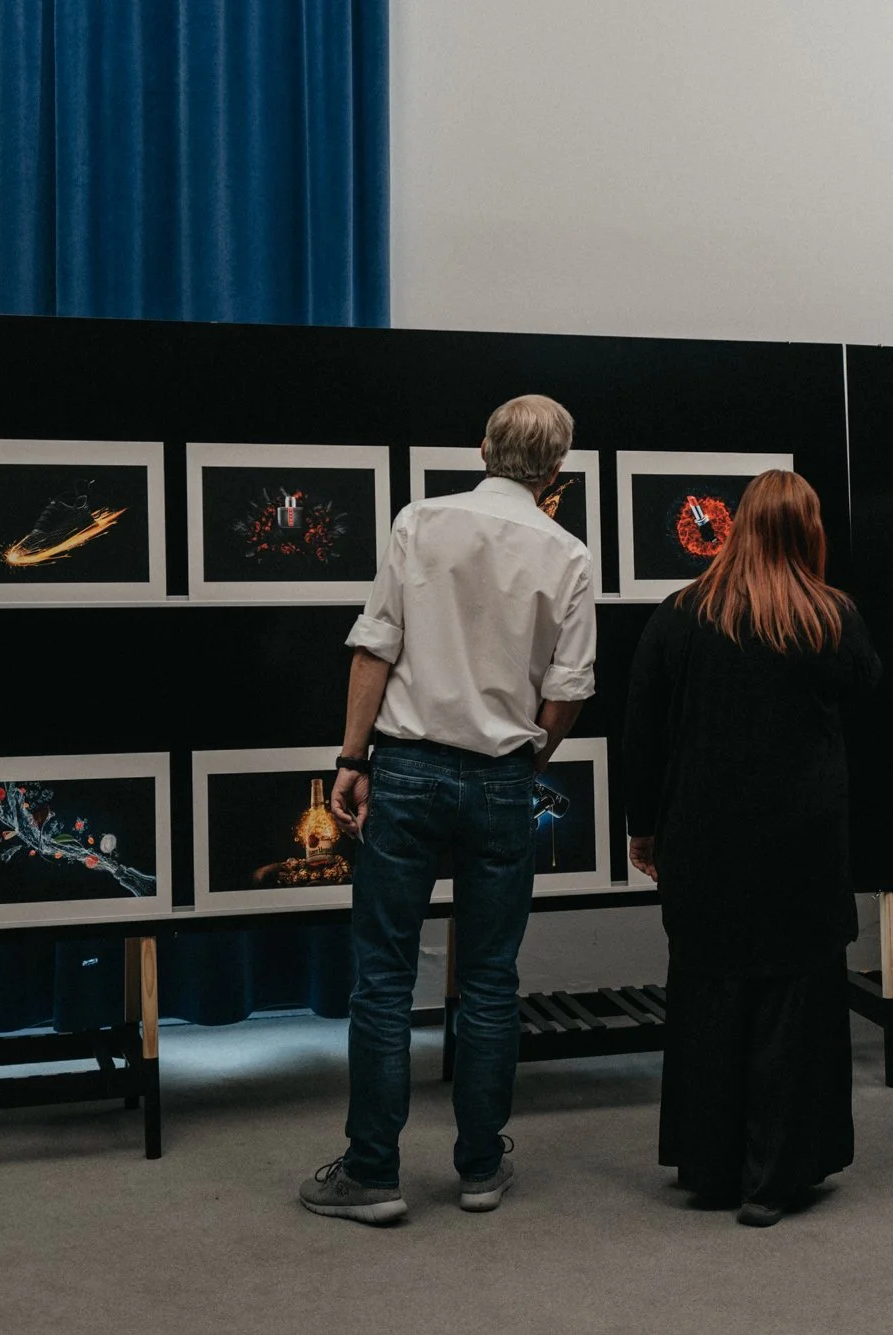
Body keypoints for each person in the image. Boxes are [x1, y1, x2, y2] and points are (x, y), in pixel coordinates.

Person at [301, 394, 597, 1224]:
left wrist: (352, 759)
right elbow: (570, 688)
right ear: (556, 472)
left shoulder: (420, 521)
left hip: (407, 768)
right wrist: (528, 757)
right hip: (502, 777)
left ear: (482, 449)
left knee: (384, 978)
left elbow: (376, 647)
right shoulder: (568, 552)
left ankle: (372, 1172)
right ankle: (480, 1167)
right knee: (492, 979)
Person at [622, 470, 881, 1227]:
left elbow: (642, 731)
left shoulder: (679, 614)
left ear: (737, 528)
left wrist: (644, 826)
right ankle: (775, 1177)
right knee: (793, 1002)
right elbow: (868, 696)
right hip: (802, 844)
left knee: (709, 992)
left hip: (703, 837)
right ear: (808, 531)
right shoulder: (830, 617)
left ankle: (712, 1166)